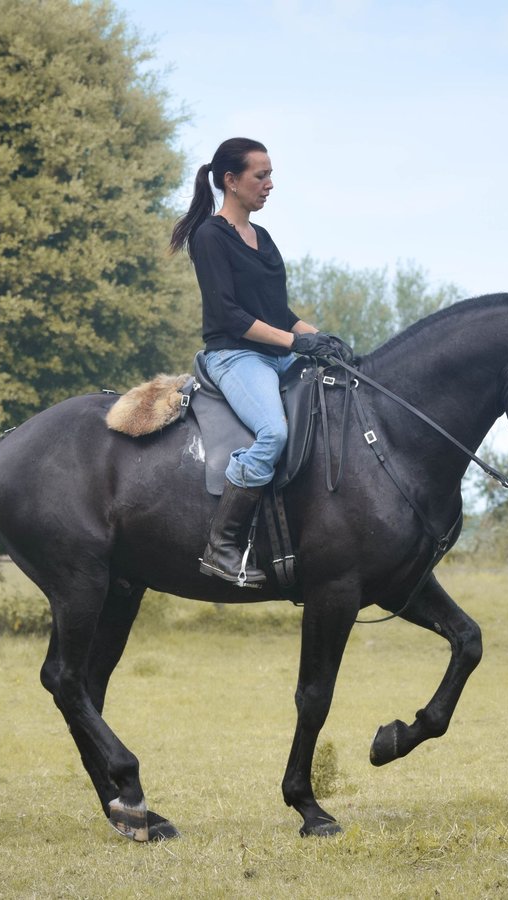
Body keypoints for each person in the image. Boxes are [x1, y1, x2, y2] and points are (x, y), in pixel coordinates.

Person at [169, 137, 352, 585]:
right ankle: (222, 547)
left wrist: (321, 338)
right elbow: (231, 315)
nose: (270, 184)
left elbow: (280, 314)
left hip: (276, 354)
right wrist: (294, 343)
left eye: (270, 175)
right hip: (235, 356)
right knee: (272, 433)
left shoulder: (262, 237)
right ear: (231, 181)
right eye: (261, 175)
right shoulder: (210, 236)